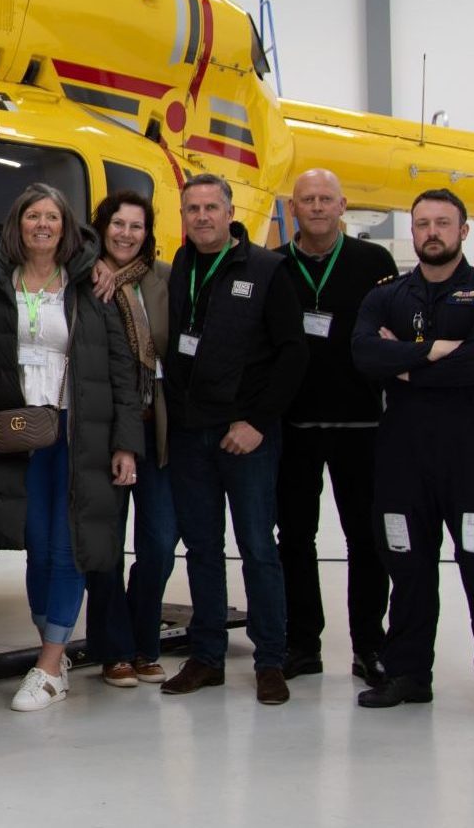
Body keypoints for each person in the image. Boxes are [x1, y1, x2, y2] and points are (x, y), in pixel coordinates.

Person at [350, 188, 474, 729]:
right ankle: (408, 674)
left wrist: (403, 363)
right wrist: (435, 350)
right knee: (406, 568)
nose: (432, 231)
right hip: (403, 459)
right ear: (412, 232)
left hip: (473, 459)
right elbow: (364, 353)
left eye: (443, 223)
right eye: (423, 223)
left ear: (462, 231)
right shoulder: (386, 295)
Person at [0, 185, 141, 711]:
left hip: (76, 433)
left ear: (66, 229)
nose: (42, 225)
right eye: (33, 216)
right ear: (18, 224)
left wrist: (126, 443)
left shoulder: (89, 282)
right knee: (35, 545)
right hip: (20, 433)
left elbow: (121, 369)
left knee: (68, 547)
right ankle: (54, 645)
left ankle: (48, 661)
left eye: (52, 217)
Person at [157, 173, 307, 705]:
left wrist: (258, 422)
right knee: (200, 548)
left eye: (211, 208)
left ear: (229, 212)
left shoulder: (268, 270)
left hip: (246, 436)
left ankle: (270, 660)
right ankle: (207, 656)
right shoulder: (178, 270)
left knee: (258, 548)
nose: (201, 217)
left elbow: (293, 353)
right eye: (192, 208)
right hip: (191, 433)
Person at [271, 169, 400, 685]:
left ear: (343, 205)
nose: (318, 207)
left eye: (326, 198)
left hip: (362, 424)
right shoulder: (274, 265)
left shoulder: (375, 263)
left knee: (367, 540)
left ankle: (370, 644)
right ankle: (303, 643)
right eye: (308, 199)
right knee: (295, 538)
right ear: (293, 207)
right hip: (295, 427)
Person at [85, 191, 177, 684]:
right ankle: (113, 648)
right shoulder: (86, 279)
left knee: (160, 543)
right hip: (103, 432)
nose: (125, 234)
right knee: (106, 547)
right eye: (117, 224)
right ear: (102, 228)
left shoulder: (162, 279)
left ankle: (146, 640)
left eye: (136, 227)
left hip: (154, 427)